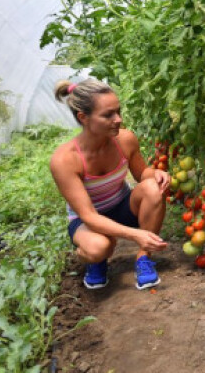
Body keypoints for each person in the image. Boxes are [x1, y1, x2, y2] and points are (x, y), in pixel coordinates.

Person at [50, 79, 170, 290]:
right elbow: (89, 217)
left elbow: (142, 173)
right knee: (99, 248)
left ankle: (143, 259)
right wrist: (136, 234)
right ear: (83, 117)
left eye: (118, 111)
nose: (118, 119)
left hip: (121, 206)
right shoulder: (65, 160)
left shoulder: (125, 140)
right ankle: (95, 260)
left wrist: (157, 173)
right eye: (108, 115)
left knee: (153, 187)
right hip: (87, 219)